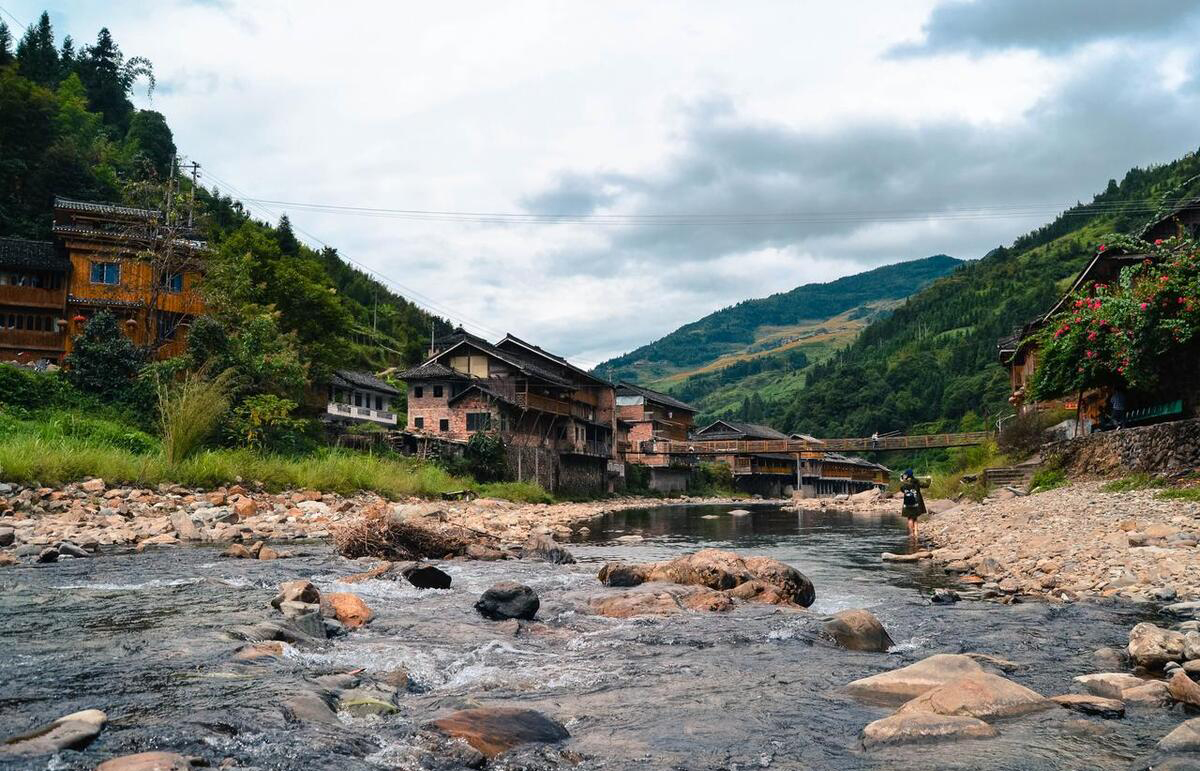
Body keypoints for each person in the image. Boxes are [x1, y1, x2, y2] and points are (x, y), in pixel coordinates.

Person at [899, 469, 927, 539]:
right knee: (915, 518)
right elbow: (925, 485)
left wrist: (902, 481)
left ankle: (911, 534)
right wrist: (929, 480)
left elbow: (902, 490)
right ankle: (916, 533)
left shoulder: (905, 484)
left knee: (910, 518)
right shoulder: (916, 482)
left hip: (908, 502)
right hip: (916, 502)